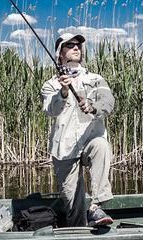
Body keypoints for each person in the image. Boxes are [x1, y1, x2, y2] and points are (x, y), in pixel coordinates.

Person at [41, 33, 116, 227]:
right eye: (70, 45)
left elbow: (108, 102)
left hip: (90, 139)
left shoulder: (96, 79)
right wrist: (64, 92)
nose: (77, 48)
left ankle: (96, 205)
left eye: (79, 45)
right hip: (64, 149)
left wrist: (92, 107)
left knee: (101, 145)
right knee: (73, 206)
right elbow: (51, 110)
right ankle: (78, 228)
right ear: (60, 54)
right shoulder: (50, 85)